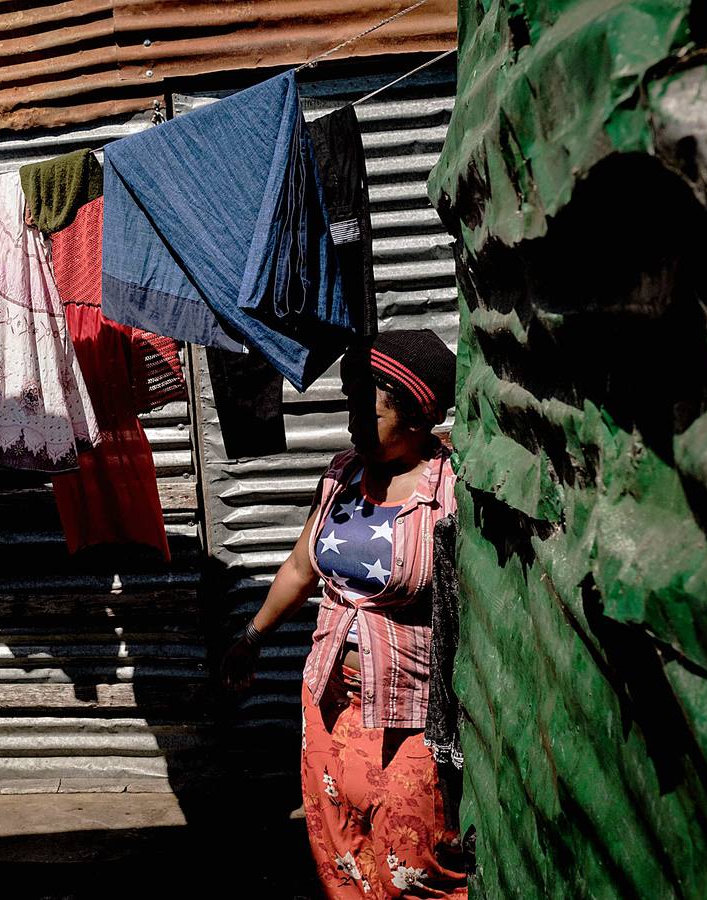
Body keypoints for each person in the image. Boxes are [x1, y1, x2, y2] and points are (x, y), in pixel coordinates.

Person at [222, 329, 468, 898]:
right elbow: (301, 567)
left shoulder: (450, 488)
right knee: (340, 857)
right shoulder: (342, 474)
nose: (352, 420)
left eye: (368, 408)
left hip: (408, 709)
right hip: (331, 695)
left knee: (410, 858)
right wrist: (252, 635)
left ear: (412, 413)